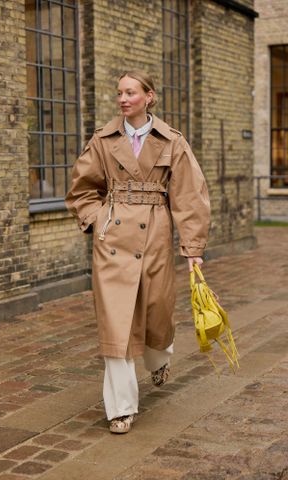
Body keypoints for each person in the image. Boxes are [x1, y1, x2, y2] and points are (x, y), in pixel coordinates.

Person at [65, 70, 210, 434]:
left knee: (157, 312)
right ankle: (121, 409)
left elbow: (190, 196)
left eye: (130, 92)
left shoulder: (172, 141)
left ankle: (159, 356)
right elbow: (81, 189)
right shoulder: (102, 139)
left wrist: (192, 248)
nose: (123, 99)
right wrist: (97, 220)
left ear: (149, 96)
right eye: (119, 93)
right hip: (112, 239)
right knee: (116, 322)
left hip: (155, 234)